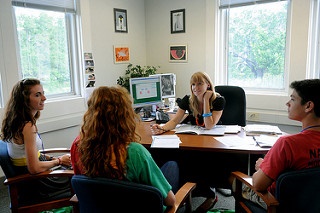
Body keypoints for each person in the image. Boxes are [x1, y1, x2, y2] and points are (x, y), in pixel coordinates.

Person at [70, 85, 179, 211]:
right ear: (124, 116)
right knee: (172, 166)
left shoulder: (78, 146)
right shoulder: (134, 152)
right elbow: (170, 201)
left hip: (98, 207)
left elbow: (83, 188)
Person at [236, 79, 320, 209]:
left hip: (277, 203)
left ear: (308, 106)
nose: (287, 103)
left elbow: (258, 184)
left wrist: (262, 166)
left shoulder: (287, 144)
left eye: (292, 99)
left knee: (234, 180)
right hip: (313, 204)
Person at [151, 71, 226, 212]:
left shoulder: (218, 100)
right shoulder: (188, 100)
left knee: (205, 160)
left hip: (211, 142)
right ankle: (188, 190)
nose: (195, 88)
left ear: (208, 85)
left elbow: (209, 125)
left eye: (199, 83)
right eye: (193, 84)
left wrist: (205, 101)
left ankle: (208, 191)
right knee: (182, 157)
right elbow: (174, 120)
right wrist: (162, 128)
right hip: (192, 138)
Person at [1, 78, 72, 203]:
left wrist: (55, 160)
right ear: (25, 100)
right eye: (37, 95)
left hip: (31, 179)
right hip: (36, 185)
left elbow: (27, 156)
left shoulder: (17, 121)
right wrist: (59, 161)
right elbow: (33, 168)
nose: (44, 98)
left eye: (43, 93)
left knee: (74, 167)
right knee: (81, 176)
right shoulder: (28, 126)